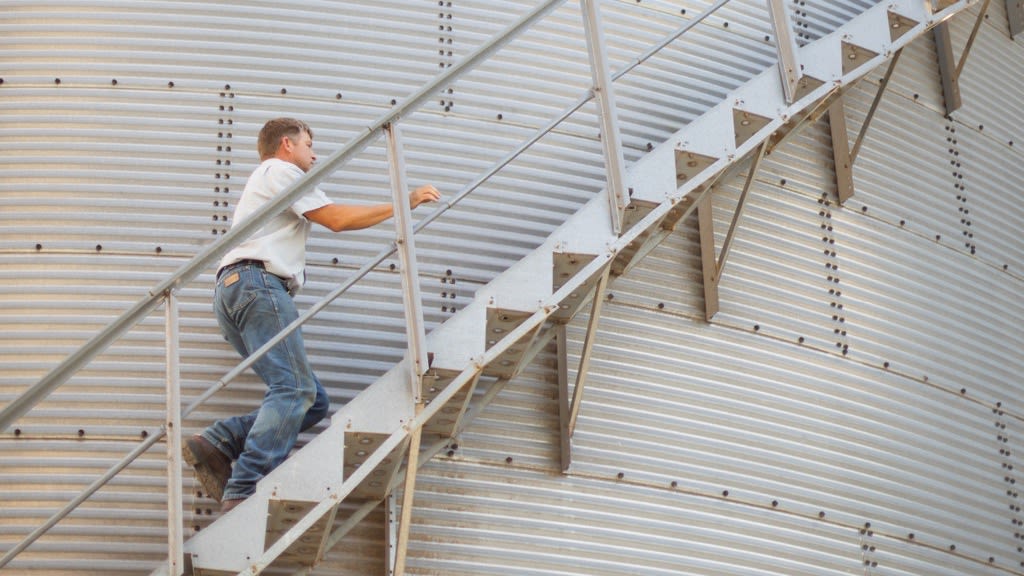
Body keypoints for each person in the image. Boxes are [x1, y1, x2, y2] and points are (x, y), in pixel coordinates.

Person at [183, 117, 440, 513]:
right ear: (287, 145)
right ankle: (244, 487)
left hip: (236, 291)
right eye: (308, 145)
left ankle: (221, 440)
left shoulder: (269, 177)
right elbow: (337, 220)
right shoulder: (280, 170)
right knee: (295, 391)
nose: (314, 154)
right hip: (258, 285)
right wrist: (406, 200)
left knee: (312, 400)